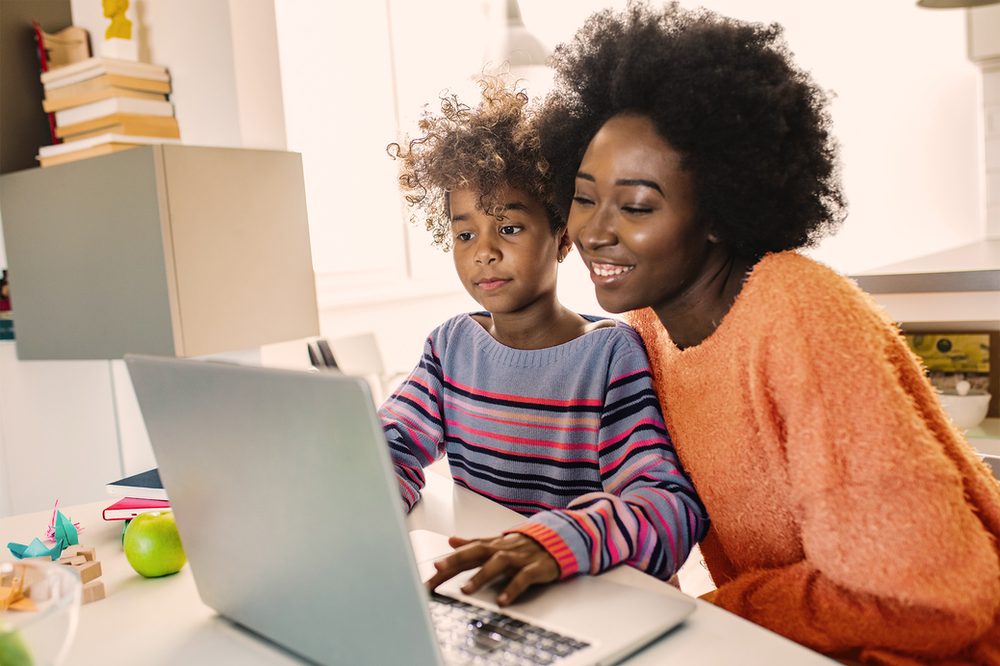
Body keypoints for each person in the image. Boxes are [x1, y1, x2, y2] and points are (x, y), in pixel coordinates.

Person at [535, 3, 1000, 665]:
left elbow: (926, 604)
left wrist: (719, 612)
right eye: (584, 196)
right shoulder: (649, 325)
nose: (594, 231)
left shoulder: (799, 310)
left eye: (637, 205)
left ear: (720, 211)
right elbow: (649, 495)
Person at [382, 76, 708, 607]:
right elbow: (390, 440)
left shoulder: (608, 355)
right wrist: (372, 502)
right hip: (497, 594)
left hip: (592, 596)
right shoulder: (451, 348)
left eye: (508, 227)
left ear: (561, 237)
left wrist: (557, 540)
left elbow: (669, 509)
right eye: (465, 234)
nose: (483, 251)